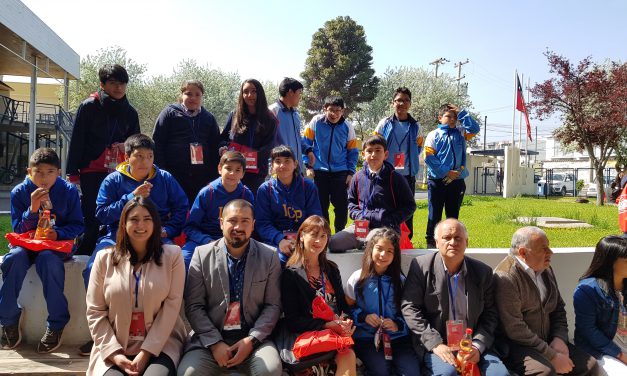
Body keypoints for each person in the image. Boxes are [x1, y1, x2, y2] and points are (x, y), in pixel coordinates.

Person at [177, 199, 282, 376]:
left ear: (253, 225)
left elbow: (273, 305)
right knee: (188, 374)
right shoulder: (201, 255)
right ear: (221, 223)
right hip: (210, 340)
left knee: (269, 371)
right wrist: (215, 343)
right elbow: (194, 306)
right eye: (232, 220)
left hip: (254, 339)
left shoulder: (269, 256)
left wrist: (251, 340)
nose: (238, 227)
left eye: (245, 221)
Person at [85, 197, 186, 376]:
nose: (141, 225)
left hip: (161, 344)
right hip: (114, 345)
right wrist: (115, 354)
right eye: (134, 219)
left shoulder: (173, 256)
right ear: (123, 224)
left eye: (147, 219)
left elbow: (171, 307)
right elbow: (95, 312)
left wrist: (146, 353)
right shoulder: (104, 259)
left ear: (156, 224)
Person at [0, 148, 83, 353]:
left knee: (48, 260)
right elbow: (18, 229)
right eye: (38, 172)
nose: (44, 178)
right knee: (14, 259)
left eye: (50, 172)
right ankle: (9, 318)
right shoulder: (20, 192)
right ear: (29, 172)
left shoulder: (69, 191)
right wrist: (33, 208)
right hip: (27, 244)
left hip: (54, 247)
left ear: (58, 172)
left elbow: (78, 225)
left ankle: (56, 323)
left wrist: (59, 233)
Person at [401, 219, 509, 376]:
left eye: (458, 238)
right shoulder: (421, 267)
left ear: (467, 242)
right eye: (446, 238)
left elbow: (491, 314)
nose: (453, 242)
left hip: (473, 342)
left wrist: (478, 346)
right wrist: (435, 343)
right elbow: (410, 308)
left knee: (500, 374)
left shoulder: (482, 272)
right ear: (437, 242)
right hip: (438, 342)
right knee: (449, 373)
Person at [494, 226, 599, 376]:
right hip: (517, 346)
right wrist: (551, 355)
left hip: (549, 340)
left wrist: (560, 338)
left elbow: (558, 308)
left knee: (592, 367)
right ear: (523, 252)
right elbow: (514, 328)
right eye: (544, 249)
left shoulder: (546, 269)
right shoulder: (506, 277)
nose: (550, 252)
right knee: (546, 372)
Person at [67, 64, 140, 256]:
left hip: (119, 171)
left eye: (122, 83)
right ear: (102, 84)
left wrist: (126, 145)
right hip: (92, 169)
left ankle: (120, 252)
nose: (118, 88)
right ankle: (85, 254)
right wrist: (72, 173)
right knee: (91, 215)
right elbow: (77, 140)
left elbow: (137, 142)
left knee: (120, 213)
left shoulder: (131, 112)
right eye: (113, 83)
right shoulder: (89, 106)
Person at [281, 215, 357, 376]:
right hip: (310, 340)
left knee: (348, 355)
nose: (319, 241)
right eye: (314, 235)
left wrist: (346, 323)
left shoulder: (331, 269)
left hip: (336, 337)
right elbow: (293, 321)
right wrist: (327, 325)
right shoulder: (291, 274)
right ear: (301, 236)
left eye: (323, 236)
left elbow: (343, 306)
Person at [344, 228, 420, 376]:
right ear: (371, 249)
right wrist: (363, 317)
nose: (383, 255)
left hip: (398, 338)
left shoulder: (401, 281)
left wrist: (397, 324)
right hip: (367, 338)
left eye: (389, 251)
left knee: (411, 372)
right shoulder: (357, 279)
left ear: (395, 255)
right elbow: (347, 308)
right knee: (381, 370)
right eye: (379, 248)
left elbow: (410, 311)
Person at [329, 135, 415, 253]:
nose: (373, 154)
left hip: (386, 227)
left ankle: (366, 253)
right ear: (363, 155)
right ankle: (361, 242)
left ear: (386, 154)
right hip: (361, 226)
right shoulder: (357, 177)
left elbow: (410, 206)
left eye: (378, 150)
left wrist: (390, 220)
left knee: (372, 244)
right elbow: (351, 203)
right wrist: (359, 217)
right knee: (334, 243)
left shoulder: (395, 178)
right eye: (369, 151)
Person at [182, 151, 254, 271]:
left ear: (243, 174)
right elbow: (190, 228)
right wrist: (207, 240)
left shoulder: (246, 194)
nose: (232, 173)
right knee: (184, 258)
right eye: (228, 168)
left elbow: (250, 224)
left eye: (237, 170)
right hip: (205, 239)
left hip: (234, 239)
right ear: (220, 169)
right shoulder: (207, 193)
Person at [152, 80, 221, 206]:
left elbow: (214, 146)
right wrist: (161, 171)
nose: (193, 98)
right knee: (176, 208)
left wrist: (213, 175)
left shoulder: (208, 118)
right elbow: (158, 142)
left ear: (202, 96)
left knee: (197, 208)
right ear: (181, 95)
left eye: (197, 94)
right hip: (174, 174)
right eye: (188, 94)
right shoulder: (169, 113)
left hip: (201, 176)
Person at [423, 103, 480, 248]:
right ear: (440, 118)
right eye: (449, 116)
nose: (452, 119)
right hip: (437, 180)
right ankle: (431, 241)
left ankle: (452, 241)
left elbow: (475, 128)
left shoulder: (461, 133)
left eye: (455, 117)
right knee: (434, 213)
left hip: (457, 181)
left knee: (453, 214)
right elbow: (429, 158)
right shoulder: (433, 134)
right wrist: (446, 172)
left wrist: (461, 113)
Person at [255, 145, 322, 265]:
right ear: (272, 166)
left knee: (310, 261)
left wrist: (303, 239)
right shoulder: (265, 190)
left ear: (295, 164)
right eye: (278, 161)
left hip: (304, 239)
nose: (282, 165)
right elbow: (262, 224)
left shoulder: (308, 186)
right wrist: (279, 239)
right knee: (279, 261)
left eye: (287, 161)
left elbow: (315, 218)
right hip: (276, 241)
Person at [303, 96, 359, 233]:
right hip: (319, 171)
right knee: (321, 206)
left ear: (343, 111)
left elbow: (353, 151)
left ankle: (340, 234)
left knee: (341, 206)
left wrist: (351, 173)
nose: (334, 114)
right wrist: (308, 166)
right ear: (324, 109)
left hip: (340, 172)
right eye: (331, 110)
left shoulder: (348, 126)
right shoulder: (316, 121)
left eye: (338, 110)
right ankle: (324, 234)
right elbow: (305, 143)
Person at [373, 87, 422, 240]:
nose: (402, 103)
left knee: (407, 211)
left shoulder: (415, 126)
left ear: (410, 104)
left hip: (407, 175)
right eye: (399, 100)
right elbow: (375, 144)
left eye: (406, 100)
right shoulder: (384, 123)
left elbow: (418, 147)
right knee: (385, 209)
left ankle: (406, 241)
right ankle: (384, 240)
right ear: (392, 103)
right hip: (387, 174)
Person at [573, 235, 627, 375]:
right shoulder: (587, 289)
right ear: (610, 263)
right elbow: (589, 330)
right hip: (602, 350)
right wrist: (620, 354)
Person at [220, 79, 277, 194]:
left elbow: (269, 147)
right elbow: (223, 139)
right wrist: (224, 148)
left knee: (251, 208)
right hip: (233, 172)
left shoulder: (270, 119)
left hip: (256, 174)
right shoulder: (234, 115)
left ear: (260, 93)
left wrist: (247, 157)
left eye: (253, 91)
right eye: (245, 92)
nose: (249, 95)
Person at [269, 77, 307, 172]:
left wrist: (308, 150)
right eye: (299, 92)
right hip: (281, 169)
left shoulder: (296, 114)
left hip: (297, 169)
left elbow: (298, 137)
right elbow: (267, 143)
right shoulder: (272, 112)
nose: (300, 96)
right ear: (290, 92)